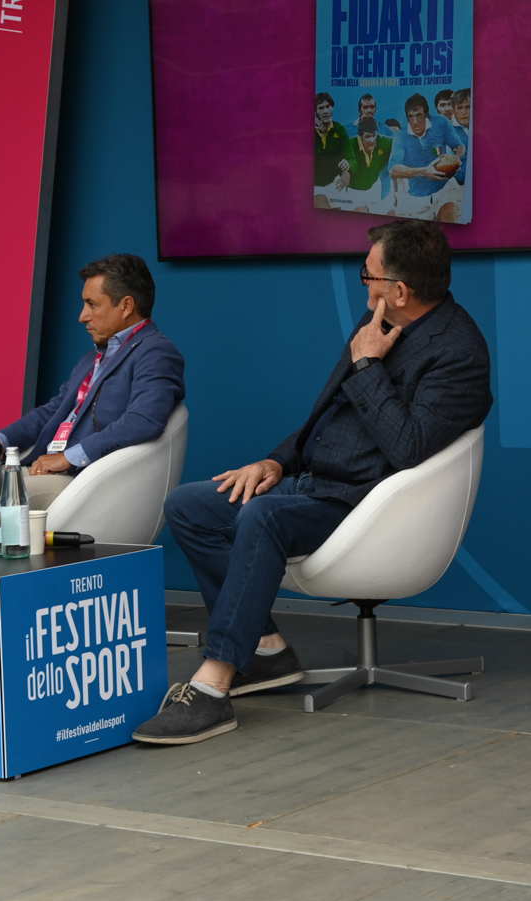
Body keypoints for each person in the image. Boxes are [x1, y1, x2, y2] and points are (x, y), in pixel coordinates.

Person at [136, 219, 491, 744]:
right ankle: (266, 652)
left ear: (398, 290)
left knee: (263, 516)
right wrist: (277, 463)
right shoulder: (374, 324)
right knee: (190, 506)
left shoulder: (458, 351)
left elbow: (409, 447)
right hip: (313, 486)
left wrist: (368, 364)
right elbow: (324, 417)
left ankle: (213, 686)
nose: (363, 284)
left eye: (366, 274)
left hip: (365, 506)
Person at [0, 254, 185, 546]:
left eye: (92, 304)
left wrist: (68, 457)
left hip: (79, 484)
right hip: (40, 470)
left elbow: (144, 421)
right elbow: (53, 410)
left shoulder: (156, 352)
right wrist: (1, 441)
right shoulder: (93, 357)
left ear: (126, 306)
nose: (82, 316)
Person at [388, 94, 466, 223]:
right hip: (417, 196)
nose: (415, 121)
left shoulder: (441, 123)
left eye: (418, 115)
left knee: (449, 222)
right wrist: (424, 171)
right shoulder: (401, 137)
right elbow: (393, 170)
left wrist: (456, 159)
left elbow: (459, 146)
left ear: (426, 114)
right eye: (410, 117)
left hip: (445, 188)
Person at [337, 114, 393, 213]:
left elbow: (400, 145)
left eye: (374, 135)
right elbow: (347, 163)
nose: (372, 140)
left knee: (390, 212)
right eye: (367, 136)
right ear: (360, 137)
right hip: (353, 191)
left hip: (374, 189)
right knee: (360, 212)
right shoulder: (350, 144)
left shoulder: (384, 142)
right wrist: (345, 173)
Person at [312, 93, 351, 209]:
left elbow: (350, 157)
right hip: (315, 186)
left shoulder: (340, 129)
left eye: (328, 106)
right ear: (315, 112)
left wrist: (347, 171)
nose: (325, 111)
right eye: (321, 108)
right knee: (321, 202)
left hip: (334, 184)